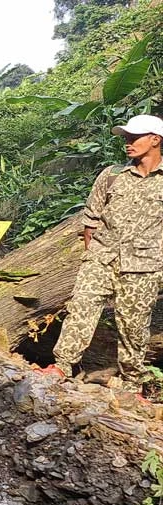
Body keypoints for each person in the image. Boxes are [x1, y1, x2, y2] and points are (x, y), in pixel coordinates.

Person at [36, 115, 163, 396]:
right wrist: (93, 254)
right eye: (126, 138)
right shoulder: (112, 174)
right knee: (81, 307)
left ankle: (132, 385)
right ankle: (62, 366)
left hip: (144, 266)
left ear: (155, 139)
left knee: (133, 327)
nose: (128, 143)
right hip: (101, 258)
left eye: (135, 137)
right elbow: (90, 221)